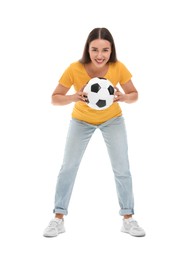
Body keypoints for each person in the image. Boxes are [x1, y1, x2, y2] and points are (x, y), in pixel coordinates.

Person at [43, 27, 145, 237]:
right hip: (81, 120)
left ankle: (128, 218)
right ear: (87, 49)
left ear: (111, 50)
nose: (100, 55)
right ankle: (58, 218)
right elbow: (55, 98)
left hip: (112, 119)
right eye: (95, 49)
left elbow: (134, 94)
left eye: (105, 50)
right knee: (68, 167)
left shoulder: (118, 67)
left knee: (122, 167)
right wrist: (74, 97)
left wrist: (123, 97)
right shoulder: (74, 68)